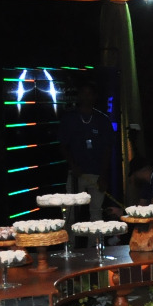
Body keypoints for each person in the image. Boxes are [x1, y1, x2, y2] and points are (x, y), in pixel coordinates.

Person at [58, 85, 115, 225]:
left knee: (96, 213)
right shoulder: (69, 118)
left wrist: (103, 175)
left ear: (95, 97)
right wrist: (73, 166)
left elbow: (108, 148)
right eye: (83, 93)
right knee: (70, 212)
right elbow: (63, 145)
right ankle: (69, 239)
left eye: (90, 94)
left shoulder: (102, 119)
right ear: (79, 96)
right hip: (76, 174)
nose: (86, 97)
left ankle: (95, 239)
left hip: (97, 174)